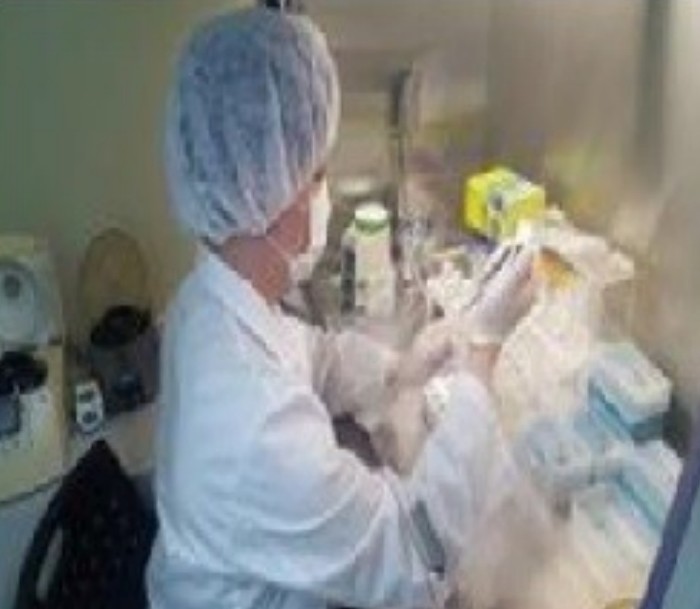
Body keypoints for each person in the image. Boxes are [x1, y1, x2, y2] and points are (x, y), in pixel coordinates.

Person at [147, 7, 535, 609]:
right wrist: (482, 357)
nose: (324, 192)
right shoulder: (255, 426)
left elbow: (313, 356)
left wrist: (400, 369)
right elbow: (414, 558)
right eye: (318, 174)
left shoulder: (208, 300)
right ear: (271, 195)